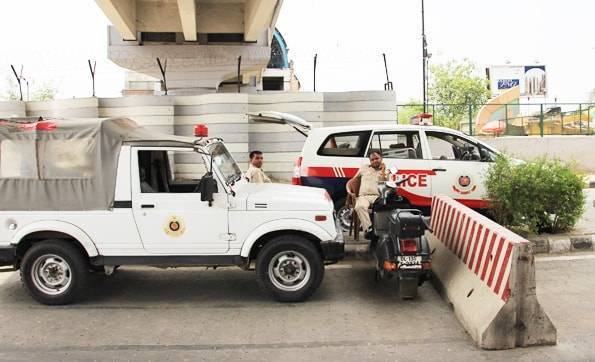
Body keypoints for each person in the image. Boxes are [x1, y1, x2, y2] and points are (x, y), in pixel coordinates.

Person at [347, 149, 387, 234]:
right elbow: (353, 180)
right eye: (372, 160)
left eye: (377, 158)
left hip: (377, 197)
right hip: (363, 196)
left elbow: (388, 185)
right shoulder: (364, 168)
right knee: (359, 207)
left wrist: (383, 171)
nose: (375, 161)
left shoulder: (386, 171)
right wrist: (352, 192)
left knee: (384, 207)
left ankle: (381, 230)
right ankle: (369, 230)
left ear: (381, 158)